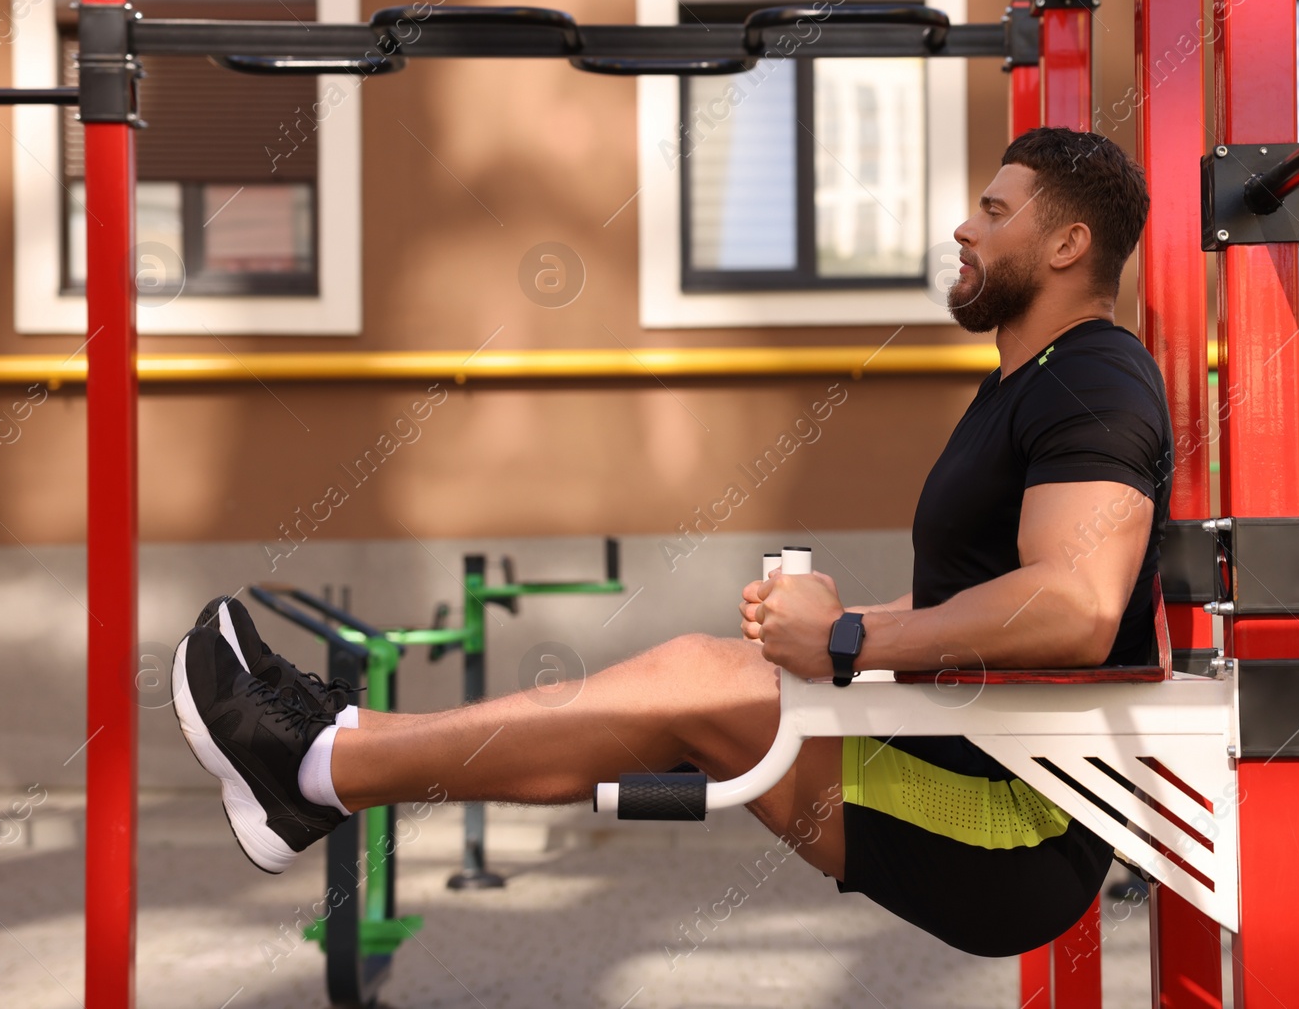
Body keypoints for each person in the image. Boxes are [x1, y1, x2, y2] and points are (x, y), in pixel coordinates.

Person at [172, 125, 1169, 958]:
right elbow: (984, 591)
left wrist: (847, 646)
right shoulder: (1028, 383)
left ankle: (316, 765)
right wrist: (838, 622)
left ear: (1069, 243)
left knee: (700, 681)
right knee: (694, 685)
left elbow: (1075, 605)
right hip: (968, 759)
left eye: (995, 211)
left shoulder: (1094, 379)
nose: (963, 223)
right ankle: (324, 763)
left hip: (1018, 826)